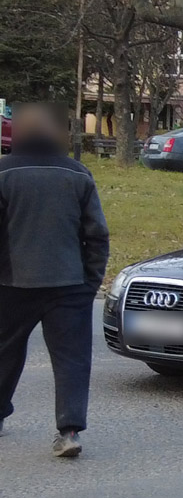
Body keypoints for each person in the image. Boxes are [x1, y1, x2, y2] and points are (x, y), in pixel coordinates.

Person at [0, 103, 109, 457]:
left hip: (12, 284)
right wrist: (90, 282)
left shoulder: (3, 174)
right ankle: (70, 431)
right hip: (70, 284)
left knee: (4, 353)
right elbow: (97, 236)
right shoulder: (78, 175)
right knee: (72, 359)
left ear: (16, 133)